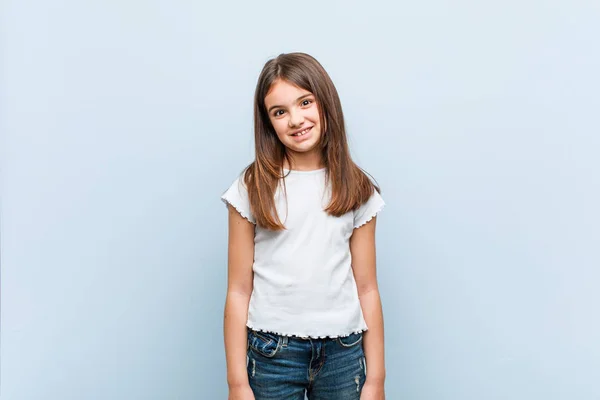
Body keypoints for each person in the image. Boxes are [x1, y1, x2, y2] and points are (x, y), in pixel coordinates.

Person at [221, 52, 386, 400]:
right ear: (268, 122)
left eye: (305, 102)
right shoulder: (252, 187)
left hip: (344, 352)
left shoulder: (356, 188)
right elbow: (238, 290)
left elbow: (367, 287)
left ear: (325, 103)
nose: (295, 119)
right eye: (279, 112)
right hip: (272, 354)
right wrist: (237, 383)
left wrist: (375, 380)